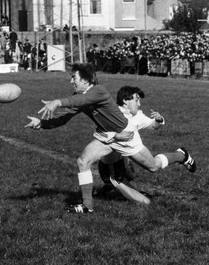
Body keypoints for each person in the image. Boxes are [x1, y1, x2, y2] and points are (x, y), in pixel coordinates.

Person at [25, 63, 195, 214]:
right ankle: (87, 205)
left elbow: (83, 99)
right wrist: (42, 123)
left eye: (73, 78)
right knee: (83, 162)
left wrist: (57, 101)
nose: (71, 81)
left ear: (85, 80)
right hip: (107, 135)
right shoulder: (79, 97)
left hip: (126, 136)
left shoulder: (99, 91)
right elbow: (64, 117)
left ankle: (181, 155)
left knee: (153, 167)